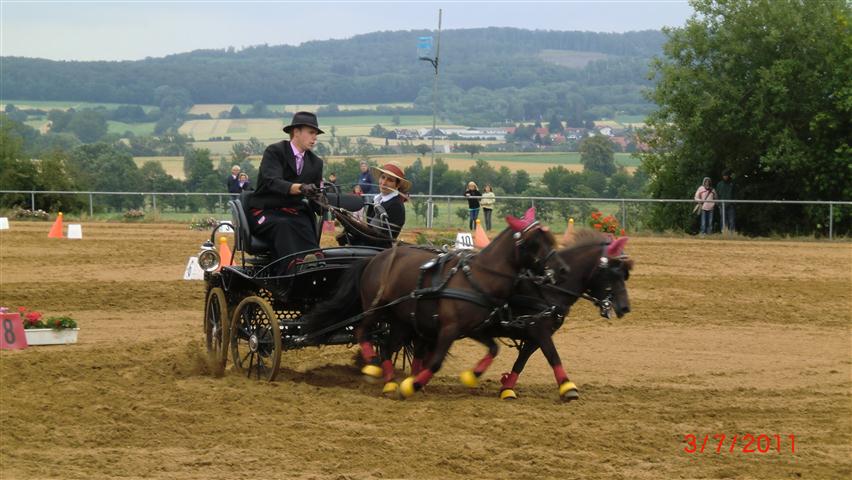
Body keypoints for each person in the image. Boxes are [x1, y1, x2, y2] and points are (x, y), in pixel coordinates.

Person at [246, 111, 324, 270]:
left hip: (294, 212)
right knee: (284, 224)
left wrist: (322, 201)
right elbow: (272, 182)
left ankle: (315, 264)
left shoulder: (316, 163)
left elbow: (315, 198)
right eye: (311, 132)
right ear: (296, 132)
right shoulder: (275, 152)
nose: (314, 138)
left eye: (316, 134)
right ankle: (292, 269)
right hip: (265, 211)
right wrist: (301, 188)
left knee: (305, 223)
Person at [345, 161, 410, 247]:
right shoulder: (377, 200)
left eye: (390, 180)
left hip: (379, 251)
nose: (384, 182)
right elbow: (370, 228)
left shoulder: (396, 206)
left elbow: (382, 239)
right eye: (383, 177)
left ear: (397, 185)